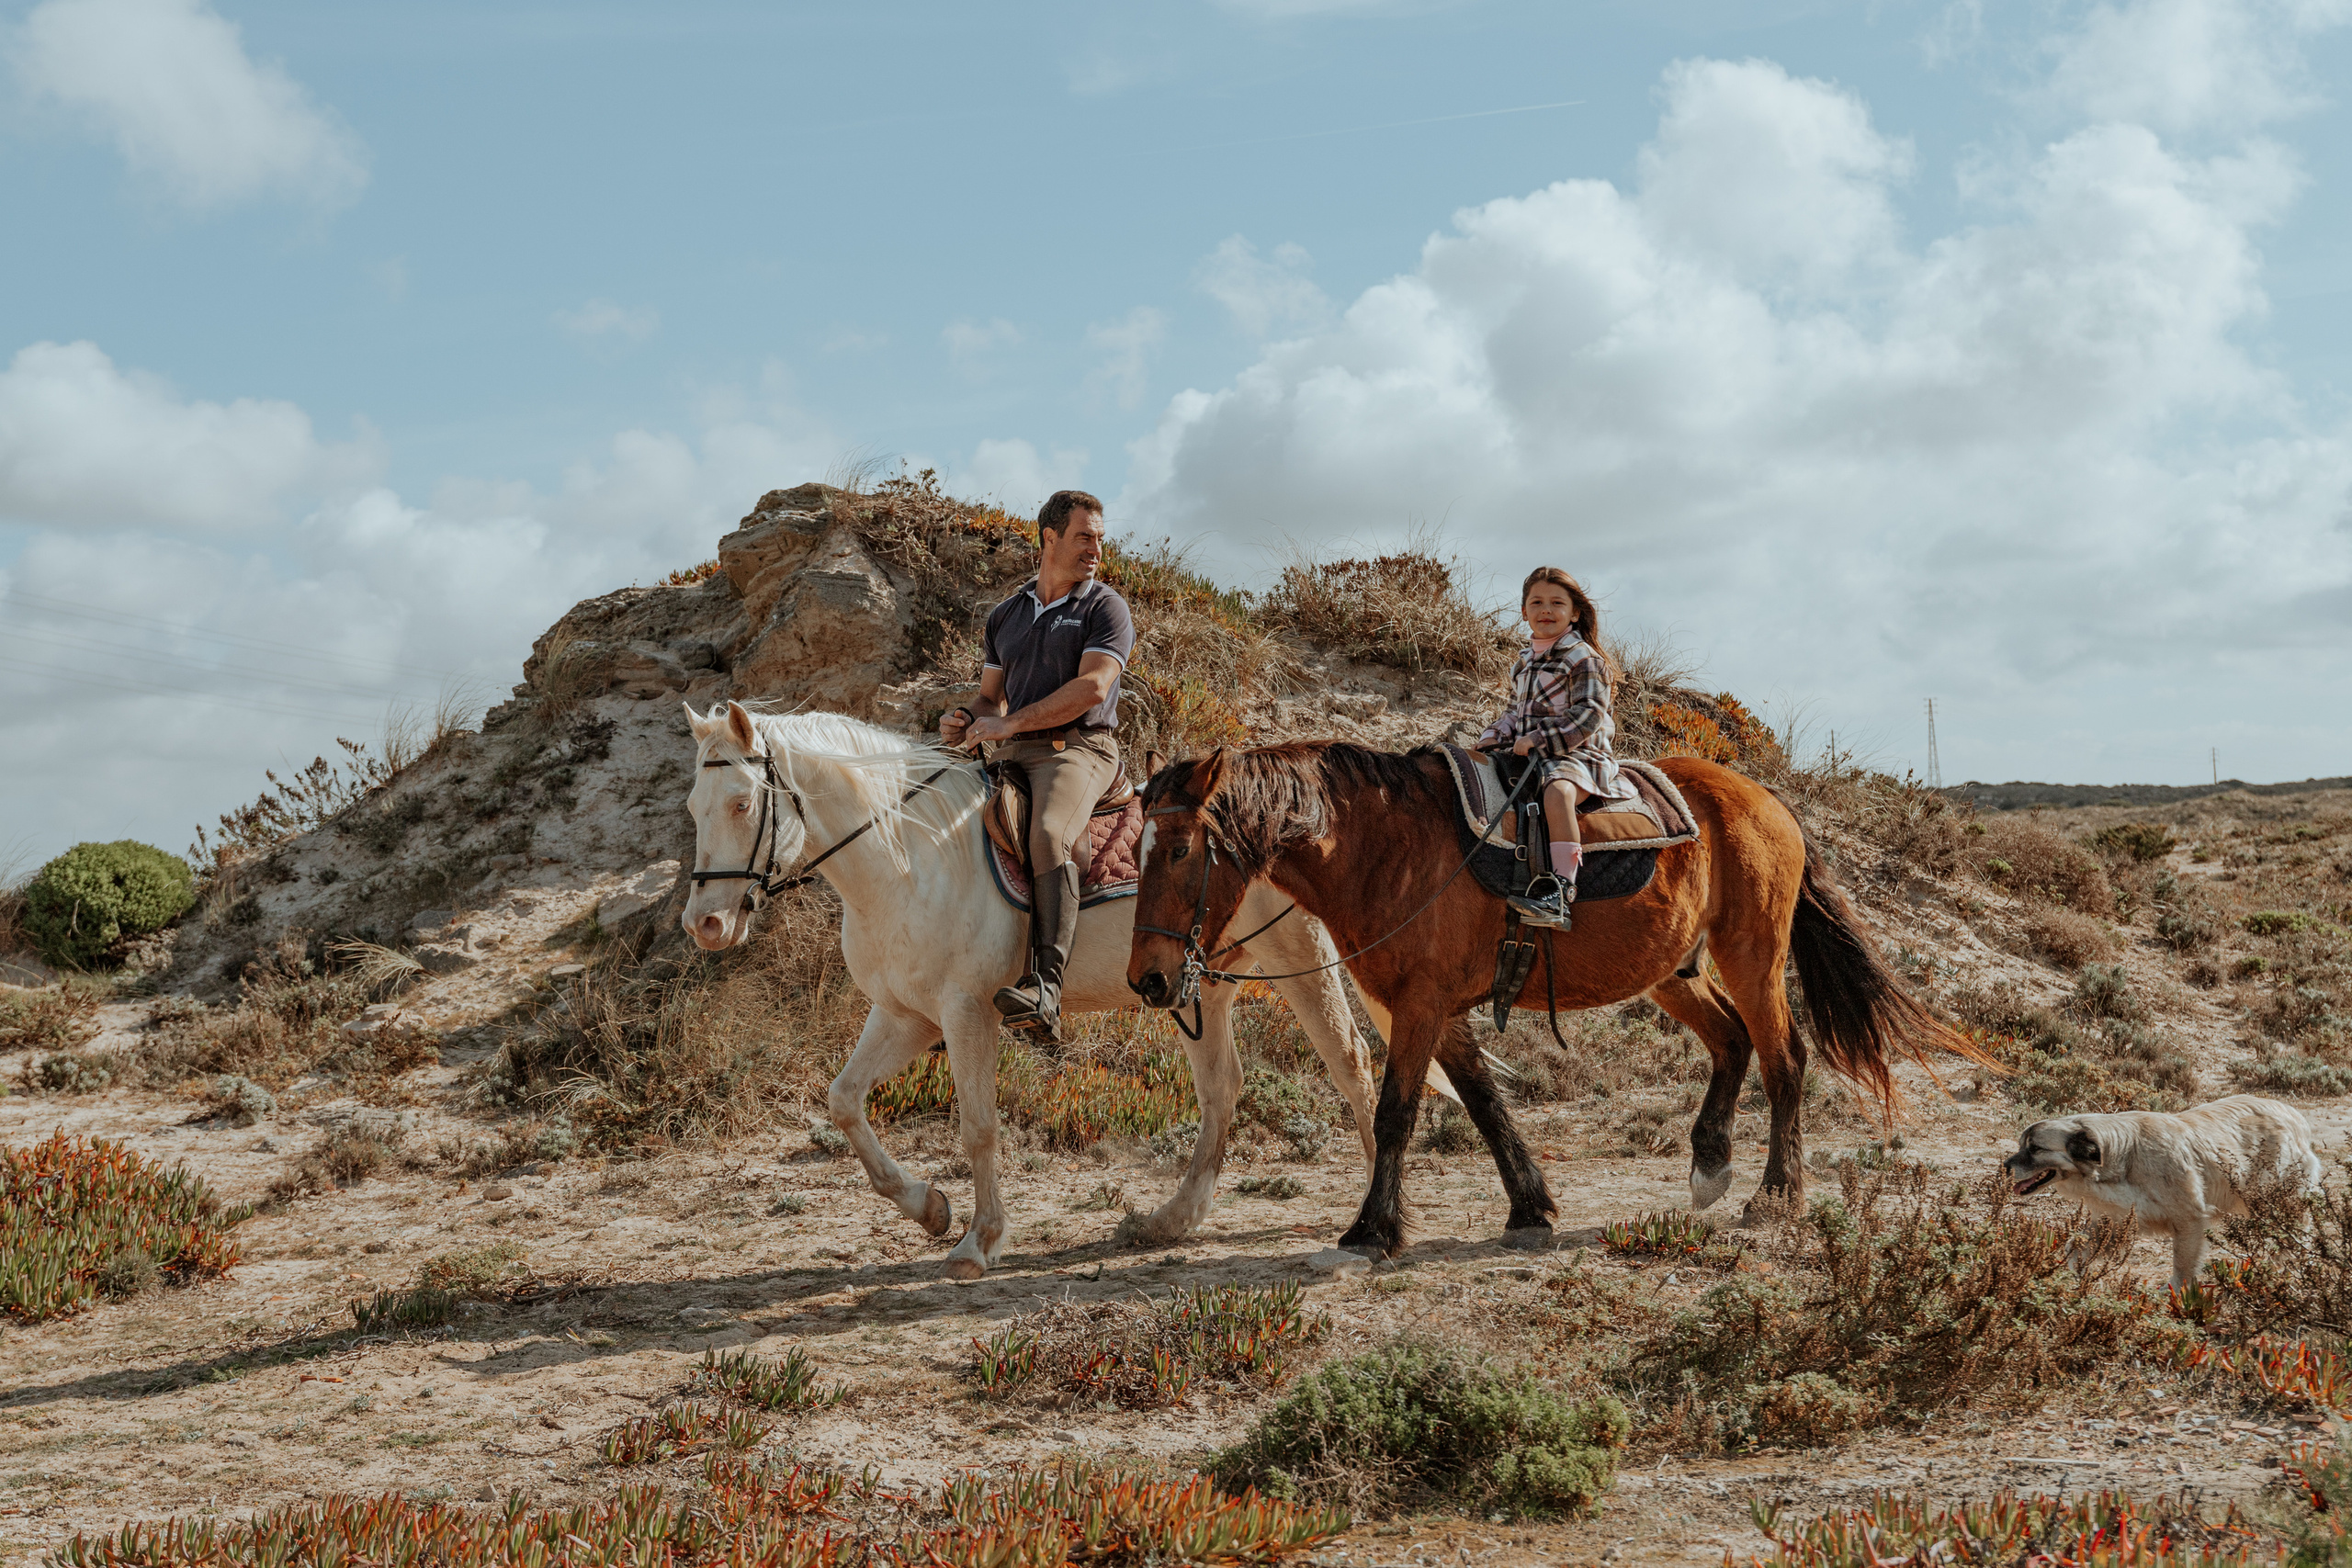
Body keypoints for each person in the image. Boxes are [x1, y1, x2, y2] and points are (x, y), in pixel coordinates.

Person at [939, 490, 1136, 1038]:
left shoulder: (1104, 607)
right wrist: (963, 717)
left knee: (1049, 833)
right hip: (1013, 752)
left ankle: (1045, 986)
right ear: (1048, 538)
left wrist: (1011, 723)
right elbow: (989, 700)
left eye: (1099, 537)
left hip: (1079, 749)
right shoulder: (1006, 615)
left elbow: (1094, 688)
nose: (1096, 548)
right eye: (1083, 536)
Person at [1471, 567, 1639, 931]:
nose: (1546, 610)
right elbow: (1516, 711)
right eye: (1537, 602)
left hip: (1577, 753)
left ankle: (1561, 891)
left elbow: (1589, 713)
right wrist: (1492, 735)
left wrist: (1541, 739)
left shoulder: (1583, 658)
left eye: (1557, 603)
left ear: (1574, 612)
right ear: (1524, 611)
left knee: (1557, 793)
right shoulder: (1524, 661)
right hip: (1533, 754)